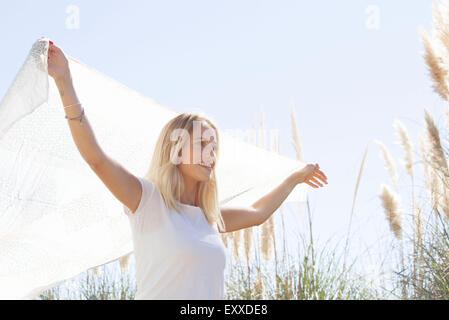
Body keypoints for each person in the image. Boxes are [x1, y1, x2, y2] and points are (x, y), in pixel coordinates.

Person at [47, 40, 328, 299]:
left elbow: (258, 214)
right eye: (202, 143)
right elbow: (96, 159)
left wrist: (294, 179)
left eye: (214, 146)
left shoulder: (209, 217)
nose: (211, 153)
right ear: (177, 151)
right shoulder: (146, 201)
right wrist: (64, 81)